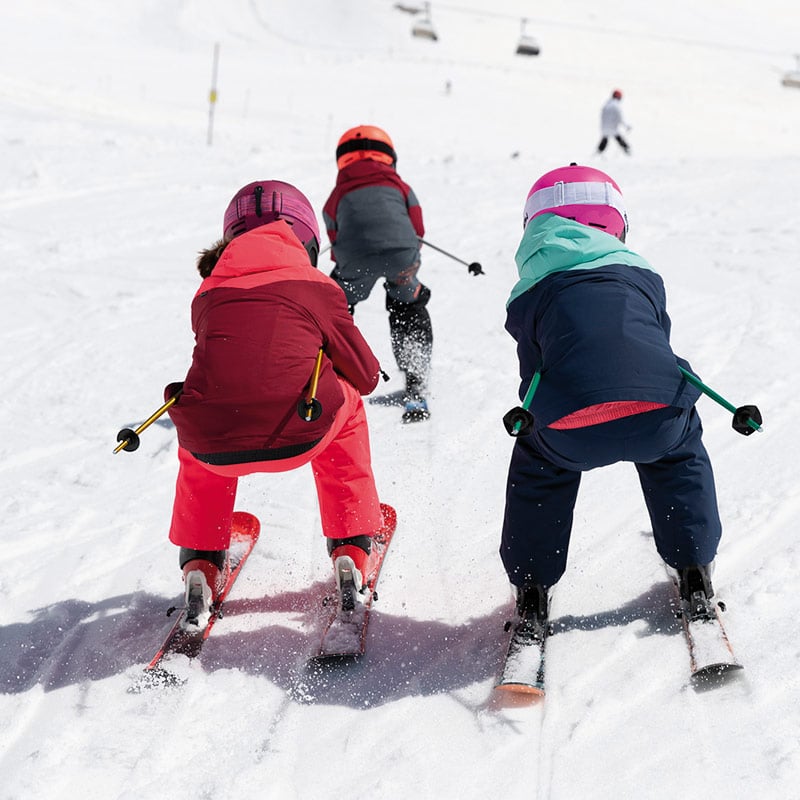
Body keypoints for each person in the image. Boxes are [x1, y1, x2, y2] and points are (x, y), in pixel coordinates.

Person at [165, 179, 393, 630]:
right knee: (346, 408)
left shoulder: (209, 293)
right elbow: (365, 377)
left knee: (198, 433)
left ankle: (200, 563)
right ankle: (351, 544)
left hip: (217, 447)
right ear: (304, 239)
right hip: (299, 432)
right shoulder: (316, 286)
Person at [501, 163, 723, 626]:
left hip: (570, 429)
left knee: (540, 462)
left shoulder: (529, 290)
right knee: (678, 449)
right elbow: (651, 343)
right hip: (654, 416)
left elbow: (534, 372)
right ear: (616, 222)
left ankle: (531, 587)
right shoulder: (641, 274)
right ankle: (694, 568)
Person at [323, 125, 432, 423]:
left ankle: (332, 374)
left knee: (334, 307)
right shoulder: (400, 186)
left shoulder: (339, 191)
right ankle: (415, 382)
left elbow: (332, 229)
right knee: (407, 304)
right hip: (402, 257)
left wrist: (343, 259)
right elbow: (417, 227)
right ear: (389, 157)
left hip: (354, 260)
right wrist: (410, 256)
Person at [597, 89, 631, 155]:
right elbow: (620, 118)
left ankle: (599, 151)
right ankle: (627, 149)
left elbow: (602, 116)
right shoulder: (616, 106)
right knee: (618, 138)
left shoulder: (606, 104)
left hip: (604, 126)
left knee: (605, 138)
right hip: (613, 127)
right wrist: (626, 126)